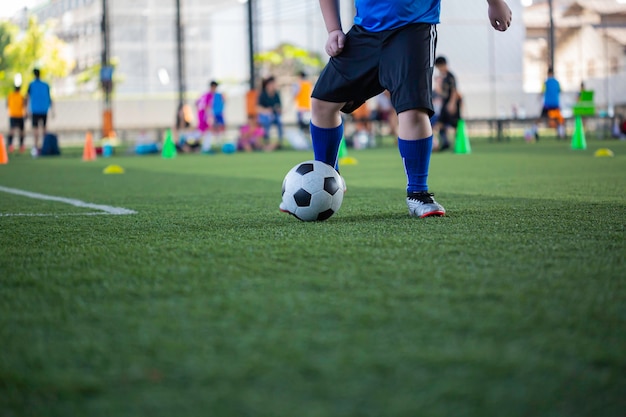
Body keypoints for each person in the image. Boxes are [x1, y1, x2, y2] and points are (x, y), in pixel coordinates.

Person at [281, 0, 512, 219]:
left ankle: (418, 194)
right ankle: (328, 176)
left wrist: (495, 3)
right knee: (322, 102)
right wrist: (333, 30)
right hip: (365, 32)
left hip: (412, 29)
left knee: (412, 110)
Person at [433, 56, 462, 151]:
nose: (439, 69)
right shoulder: (442, 78)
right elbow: (442, 93)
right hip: (445, 103)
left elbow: (454, 91)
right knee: (440, 123)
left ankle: (459, 144)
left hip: (451, 103)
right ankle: (445, 143)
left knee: (455, 125)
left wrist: (452, 103)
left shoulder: (450, 76)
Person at [27, 68, 54, 156]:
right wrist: (53, 110)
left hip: (35, 110)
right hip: (44, 109)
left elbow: (27, 98)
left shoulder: (31, 85)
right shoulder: (45, 85)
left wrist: (27, 111)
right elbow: (50, 98)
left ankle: (35, 147)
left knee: (36, 129)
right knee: (44, 129)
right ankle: (45, 147)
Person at [533, 67, 564, 140]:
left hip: (547, 104)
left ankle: (534, 130)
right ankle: (561, 133)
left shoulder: (546, 83)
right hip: (556, 104)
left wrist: (538, 98)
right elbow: (561, 91)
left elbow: (542, 92)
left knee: (541, 118)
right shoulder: (557, 82)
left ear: (548, 73)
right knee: (558, 119)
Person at [257, 76, 284, 148]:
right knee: (266, 121)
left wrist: (279, 110)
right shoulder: (262, 94)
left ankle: (280, 142)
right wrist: (266, 110)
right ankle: (267, 141)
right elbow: (258, 108)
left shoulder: (276, 94)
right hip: (265, 116)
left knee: (279, 122)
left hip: (275, 115)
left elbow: (279, 107)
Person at [6, 84, 27, 154]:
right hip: (19, 115)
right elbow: (24, 105)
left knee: (12, 130)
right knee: (21, 131)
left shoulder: (10, 95)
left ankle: (10, 145)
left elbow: (7, 105)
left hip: (13, 115)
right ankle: (20, 145)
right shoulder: (21, 96)